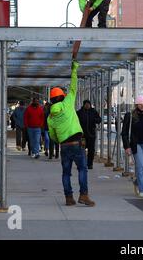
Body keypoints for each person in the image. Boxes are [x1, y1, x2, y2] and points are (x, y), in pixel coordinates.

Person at [48, 61, 95, 207]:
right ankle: (84, 195)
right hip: (77, 143)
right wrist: (74, 69)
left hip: (65, 146)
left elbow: (52, 135)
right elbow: (74, 85)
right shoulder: (67, 103)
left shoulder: (50, 117)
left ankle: (69, 198)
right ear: (62, 96)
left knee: (66, 173)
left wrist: (60, 140)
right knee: (82, 169)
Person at [76, 100, 102, 169]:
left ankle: (90, 164)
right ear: (84, 105)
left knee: (91, 150)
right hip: (82, 136)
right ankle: (81, 163)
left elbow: (99, 119)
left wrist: (95, 120)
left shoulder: (93, 112)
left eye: (88, 104)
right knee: (81, 150)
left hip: (91, 135)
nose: (87, 105)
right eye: (86, 104)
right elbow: (75, 121)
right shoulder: (79, 112)